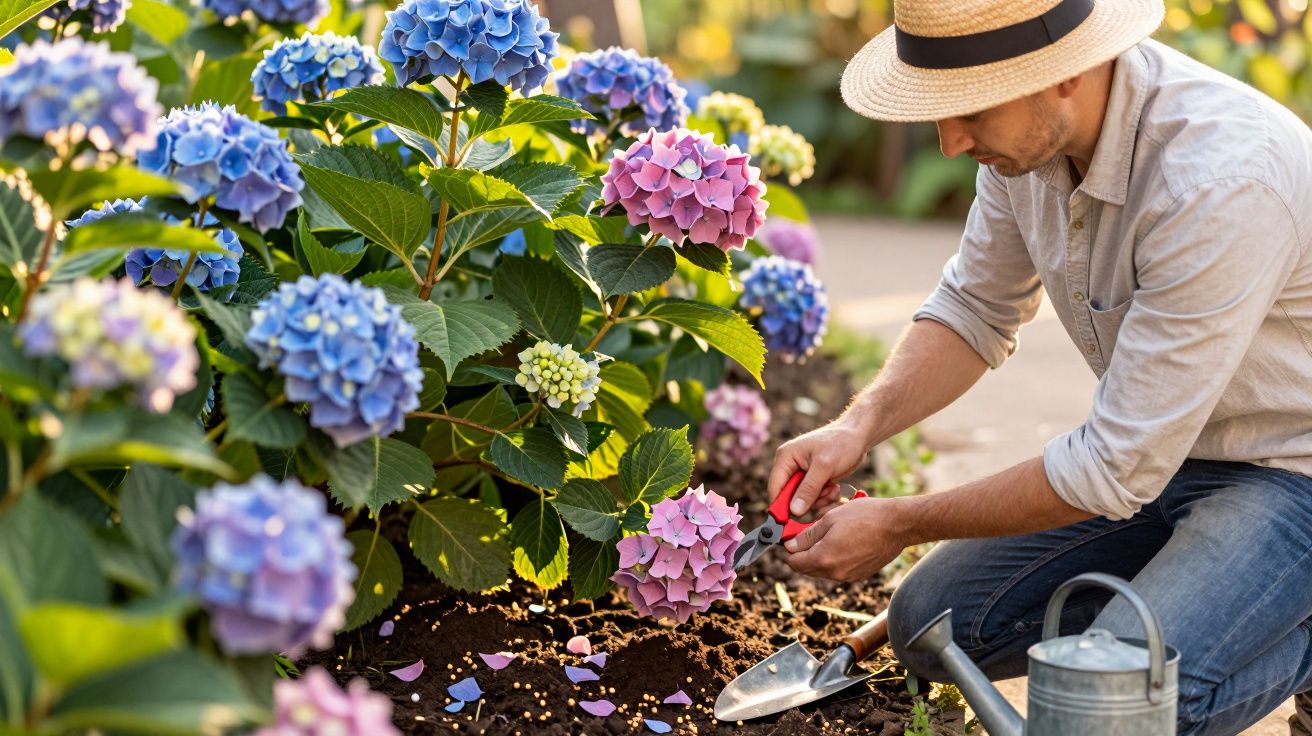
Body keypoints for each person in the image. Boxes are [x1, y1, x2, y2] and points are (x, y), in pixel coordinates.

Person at [766, 0, 1312, 733]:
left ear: (1067, 73)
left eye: (971, 111)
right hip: (1173, 457)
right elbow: (975, 308)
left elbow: (1111, 469)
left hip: (1293, 474)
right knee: (932, 626)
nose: (951, 142)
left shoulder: (1217, 181)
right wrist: (855, 426)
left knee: (1097, 713)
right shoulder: (1029, 148)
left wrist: (900, 521)